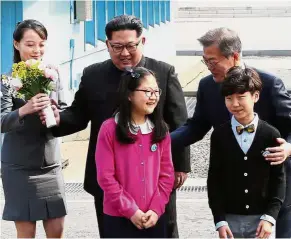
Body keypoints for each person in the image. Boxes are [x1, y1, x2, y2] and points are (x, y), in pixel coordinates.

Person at [40, 15, 189, 238]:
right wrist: (59, 119)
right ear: (107, 44)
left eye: (131, 45)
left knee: (162, 228)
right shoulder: (93, 75)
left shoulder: (163, 72)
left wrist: (181, 165)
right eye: (117, 47)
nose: (125, 53)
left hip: (153, 177)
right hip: (109, 179)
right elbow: (79, 114)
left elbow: (178, 122)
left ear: (143, 42)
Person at [171, 27, 291, 238]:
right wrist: (159, 141)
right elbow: (196, 126)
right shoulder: (207, 86)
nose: (208, 67)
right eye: (205, 61)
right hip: (235, 198)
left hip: (275, 189)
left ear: (234, 56)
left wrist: (288, 148)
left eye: (213, 61)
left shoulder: (270, 84)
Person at [0, 19, 67, 238]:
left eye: (41, 44)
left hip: (50, 163)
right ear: (16, 44)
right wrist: (24, 110)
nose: (37, 50)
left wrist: (58, 114)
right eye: (30, 44)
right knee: (26, 231)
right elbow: (1, 121)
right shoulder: (7, 80)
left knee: (57, 229)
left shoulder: (53, 73)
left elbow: (66, 111)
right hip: (19, 166)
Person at [95, 67, 175, 238]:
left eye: (156, 91)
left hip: (154, 218)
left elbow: (167, 176)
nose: (153, 96)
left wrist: (155, 209)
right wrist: (131, 210)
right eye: (147, 91)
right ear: (129, 95)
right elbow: (105, 177)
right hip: (118, 218)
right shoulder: (109, 129)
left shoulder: (161, 130)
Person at [208, 66, 286, 239]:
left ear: (255, 96)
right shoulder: (219, 135)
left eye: (241, 97)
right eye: (229, 98)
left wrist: (270, 217)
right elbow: (214, 179)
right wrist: (219, 219)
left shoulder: (271, 134)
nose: (234, 104)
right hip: (229, 220)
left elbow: (278, 180)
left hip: (262, 221)